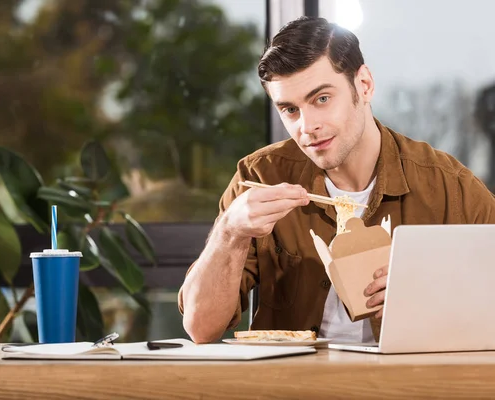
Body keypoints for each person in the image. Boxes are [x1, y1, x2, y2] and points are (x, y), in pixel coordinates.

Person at [177, 16, 495, 344]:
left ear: (364, 85)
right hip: (293, 388)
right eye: (290, 110)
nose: (307, 126)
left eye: (322, 99)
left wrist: (436, 295)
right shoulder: (260, 176)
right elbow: (201, 328)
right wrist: (230, 233)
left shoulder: (448, 186)